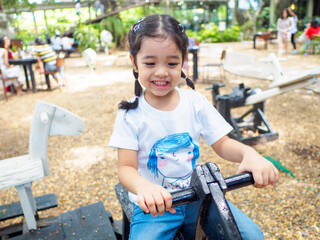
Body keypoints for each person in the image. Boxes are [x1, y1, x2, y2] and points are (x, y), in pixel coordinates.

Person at [109, 14, 279, 240]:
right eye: (150, 63)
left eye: (172, 63)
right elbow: (126, 168)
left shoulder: (194, 102)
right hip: (155, 207)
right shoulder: (130, 114)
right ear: (134, 62)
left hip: (198, 198)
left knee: (251, 236)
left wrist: (249, 153)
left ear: (183, 62)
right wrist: (144, 188)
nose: (162, 72)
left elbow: (222, 143)